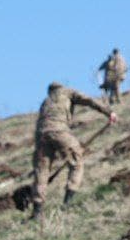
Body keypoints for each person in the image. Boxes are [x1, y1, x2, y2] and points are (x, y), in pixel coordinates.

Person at [30, 81, 117, 218]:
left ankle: (37, 211)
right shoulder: (67, 92)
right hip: (59, 131)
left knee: (42, 171)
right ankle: (68, 202)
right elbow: (89, 100)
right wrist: (109, 112)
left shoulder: (45, 101)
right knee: (77, 163)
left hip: (41, 136)